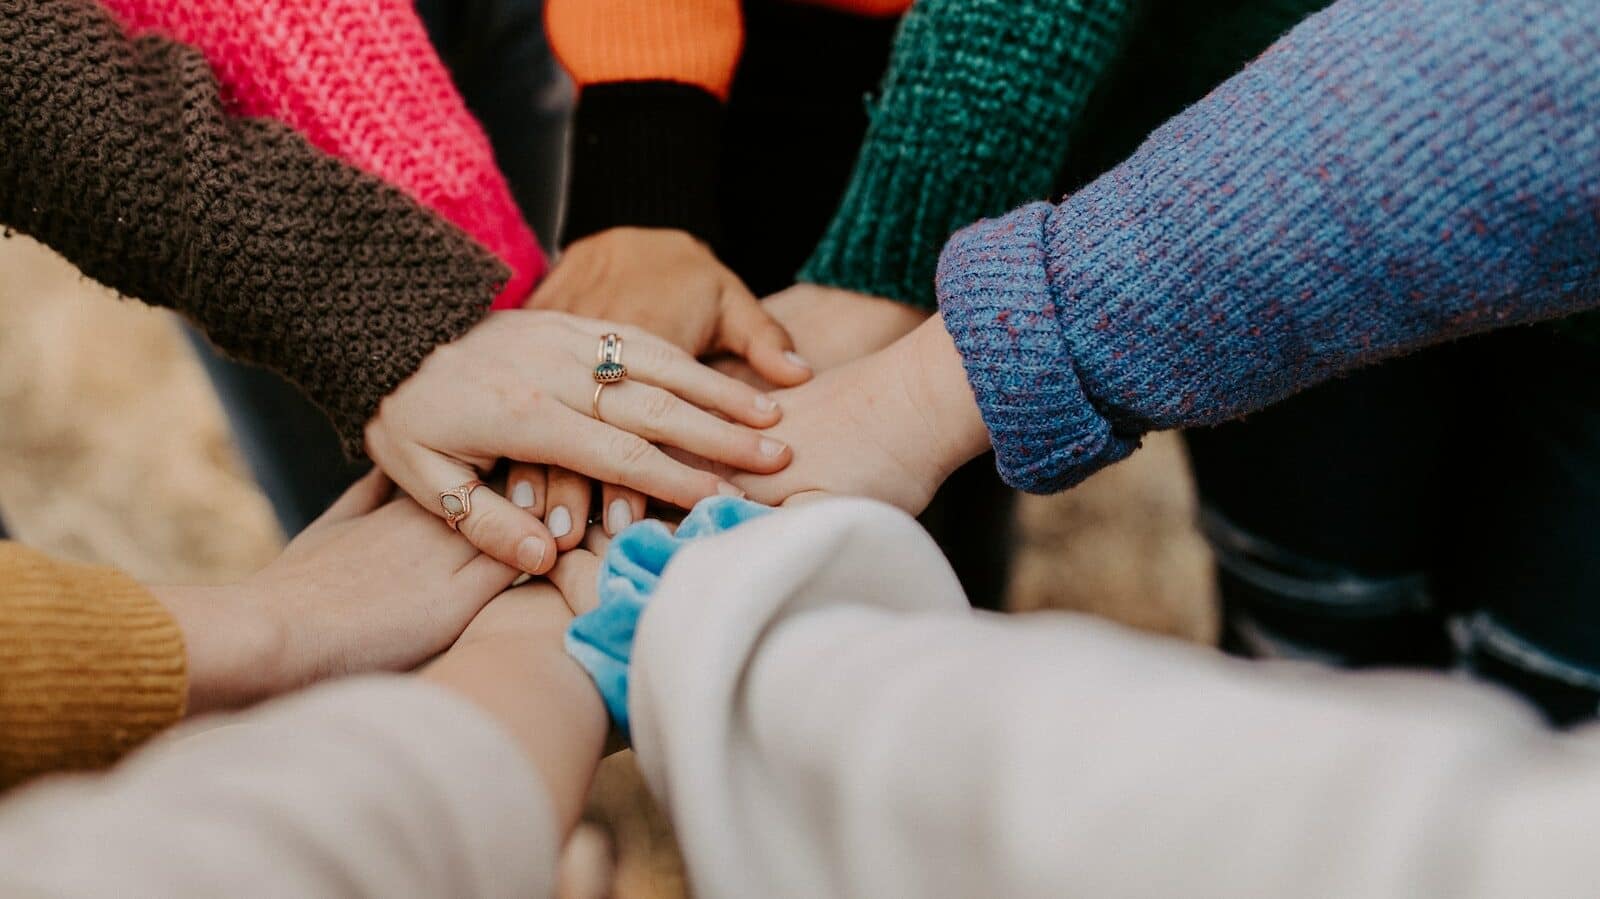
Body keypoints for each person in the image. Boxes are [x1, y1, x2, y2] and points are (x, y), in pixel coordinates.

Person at [726, 0, 1600, 710]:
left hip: (1257, 216)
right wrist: (890, 267)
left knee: (1551, 704)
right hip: (1262, 225)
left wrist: (938, 376)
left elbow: (1557, 73)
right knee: (1313, 647)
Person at [0, 0, 792, 579]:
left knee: (520, 439)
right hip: (234, 83)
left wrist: (642, 171)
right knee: (417, 539)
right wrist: (374, 299)